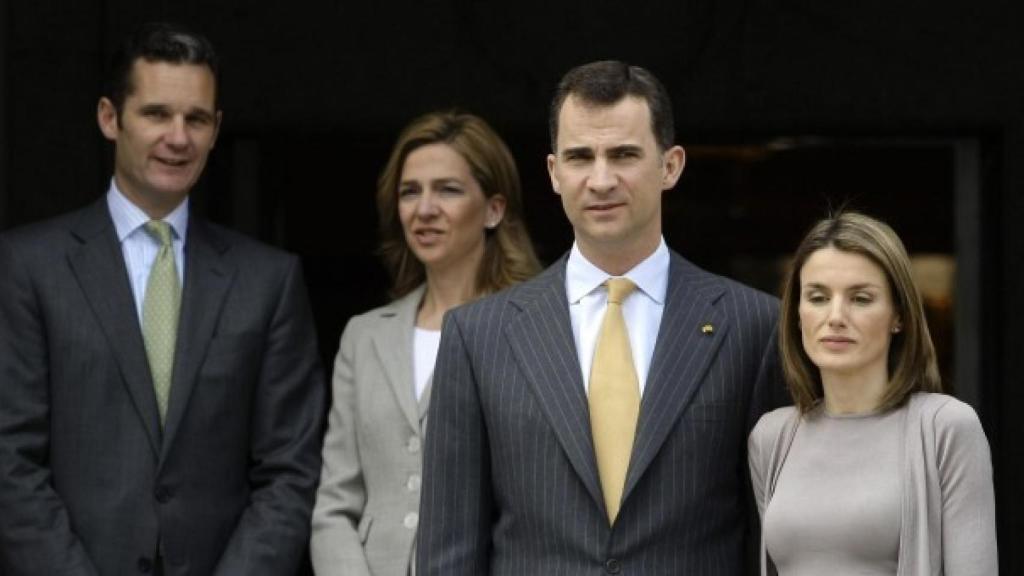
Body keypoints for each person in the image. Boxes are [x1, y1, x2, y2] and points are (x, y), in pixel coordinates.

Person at [417, 60, 785, 574]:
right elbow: (449, 549)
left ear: (671, 165)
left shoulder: (753, 326)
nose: (601, 179)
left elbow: (768, 536)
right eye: (580, 157)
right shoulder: (478, 336)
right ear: (553, 172)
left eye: (624, 154)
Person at [0, 23, 324, 575]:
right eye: (156, 114)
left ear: (216, 129)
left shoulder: (268, 281)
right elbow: (10, 460)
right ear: (110, 118)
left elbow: (290, 469)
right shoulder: (29, 266)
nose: (179, 137)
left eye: (196, 118)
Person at [310, 110, 541, 576]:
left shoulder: (534, 331)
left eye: (448, 190)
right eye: (410, 191)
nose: (425, 209)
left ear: (494, 209)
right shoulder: (365, 335)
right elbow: (335, 503)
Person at [748, 212, 997, 575]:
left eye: (860, 298)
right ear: (797, 314)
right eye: (817, 297)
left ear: (898, 314)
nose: (835, 316)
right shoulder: (773, 436)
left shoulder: (945, 427)